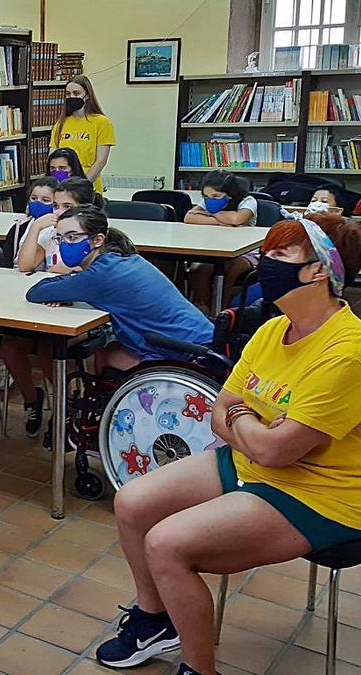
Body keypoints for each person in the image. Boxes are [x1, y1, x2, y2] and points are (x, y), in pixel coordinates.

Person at [95, 214, 361, 675]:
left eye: (280, 254)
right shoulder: (272, 329)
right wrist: (251, 424)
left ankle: (199, 670)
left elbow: (278, 452)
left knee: (167, 544)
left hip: (320, 493)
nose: (264, 260)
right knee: (132, 502)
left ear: (319, 270)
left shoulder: (348, 351)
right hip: (250, 463)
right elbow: (220, 412)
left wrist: (244, 422)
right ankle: (155, 620)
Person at [26, 205, 214, 372]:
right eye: (60, 238)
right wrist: (71, 285)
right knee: (108, 349)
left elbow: (35, 293)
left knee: (102, 356)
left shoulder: (98, 276)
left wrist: (67, 286)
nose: (65, 244)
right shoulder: (123, 258)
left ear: (97, 240)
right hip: (203, 341)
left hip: (187, 354)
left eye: (72, 237)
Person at [0, 176, 58, 436]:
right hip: (21, 299)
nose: (38, 204)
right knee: (9, 348)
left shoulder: (62, 231)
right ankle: (32, 398)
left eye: (46, 200)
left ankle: (63, 409)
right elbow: (15, 268)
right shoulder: (20, 228)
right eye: (34, 199)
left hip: (55, 303)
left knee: (47, 350)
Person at [184, 170, 259, 311]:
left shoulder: (248, 201)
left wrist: (209, 214)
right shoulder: (209, 200)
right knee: (197, 269)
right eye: (206, 196)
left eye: (215, 196)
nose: (210, 199)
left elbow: (238, 219)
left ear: (229, 195)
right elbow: (189, 217)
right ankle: (210, 308)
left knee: (231, 270)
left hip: (245, 252)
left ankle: (224, 310)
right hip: (215, 250)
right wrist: (220, 221)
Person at [17, 176, 104, 274]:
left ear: (85, 208)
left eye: (67, 206)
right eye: (55, 206)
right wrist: (35, 227)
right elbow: (25, 267)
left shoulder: (91, 236)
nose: (58, 212)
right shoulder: (50, 233)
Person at [50, 75, 116, 192]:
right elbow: (54, 157)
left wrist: (83, 185)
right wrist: (60, 187)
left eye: (76, 93)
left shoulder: (101, 122)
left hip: (89, 185)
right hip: (63, 186)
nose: (72, 97)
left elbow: (101, 160)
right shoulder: (61, 123)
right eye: (68, 94)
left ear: (87, 96)